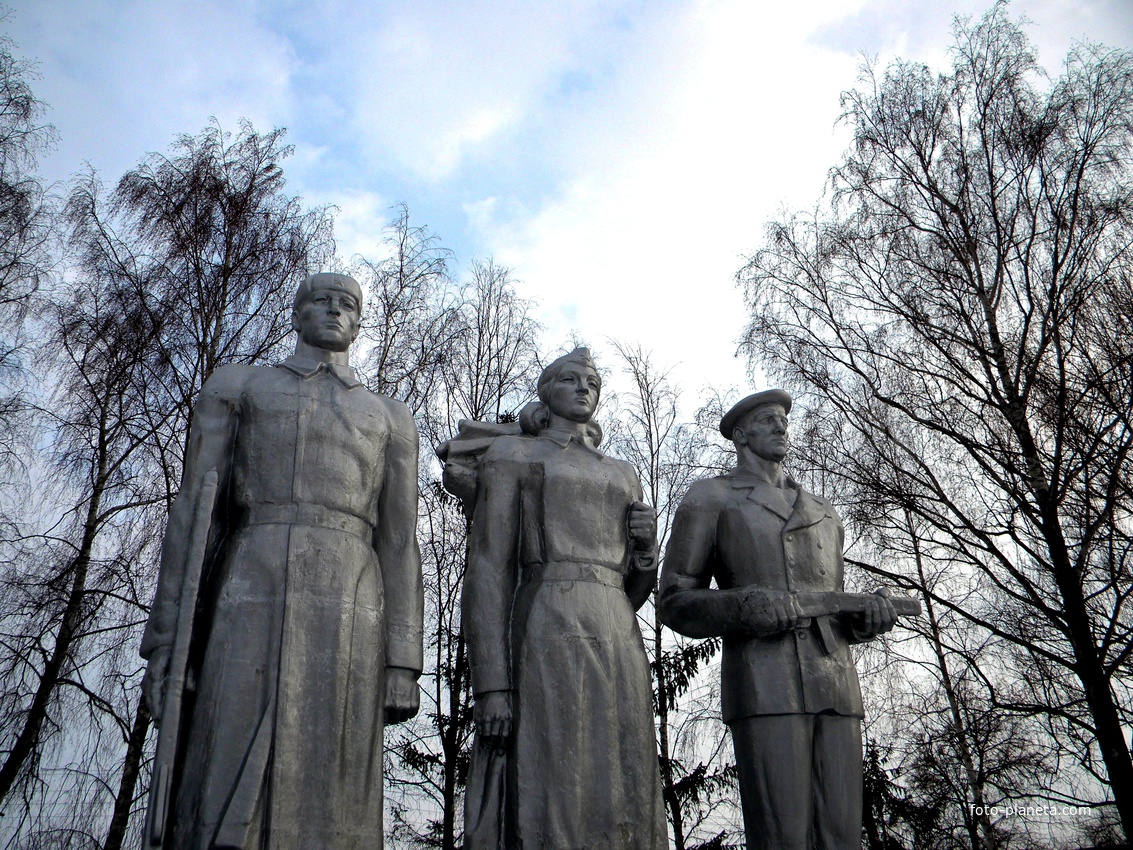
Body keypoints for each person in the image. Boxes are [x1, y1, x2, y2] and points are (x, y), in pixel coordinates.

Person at [140, 272, 423, 849]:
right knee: (228, 740)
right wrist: (171, 643)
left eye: (348, 305)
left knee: (335, 761)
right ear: (295, 313)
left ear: (360, 323)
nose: (334, 311)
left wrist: (402, 660)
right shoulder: (241, 388)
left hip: (352, 594)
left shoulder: (390, 417)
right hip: (253, 574)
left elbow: (399, 541)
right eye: (321, 300)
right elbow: (198, 515)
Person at [442, 347, 667, 850]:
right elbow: (489, 570)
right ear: (547, 392)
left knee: (625, 768)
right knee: (553, 765)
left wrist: (647, 550)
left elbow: (632, 592)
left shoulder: (623, 472)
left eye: (592, 381)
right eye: (570, 379)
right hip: (545, 619)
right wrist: (492, 685)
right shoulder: (514, 456)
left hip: (616, 630)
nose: (584, 387)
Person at [659, 389, 898, 850]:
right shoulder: (712, 498)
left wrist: (866, 620)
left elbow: (832, 606)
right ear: (741, 435)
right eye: (768, 420)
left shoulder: (824, 511)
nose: (781, 427)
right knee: (782, 834)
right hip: (765, 682)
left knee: (842, 833)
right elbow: (674, 600)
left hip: (836, 683)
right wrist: (743, 606)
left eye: (784, 420)